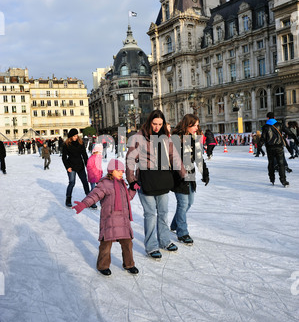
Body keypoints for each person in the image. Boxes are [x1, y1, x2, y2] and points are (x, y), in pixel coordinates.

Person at [126, 109, 186, 259]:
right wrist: (131, 180)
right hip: (145, 180)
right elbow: (130, 159)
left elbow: (174, 156)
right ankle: (151, 246)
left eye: (160, 124)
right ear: (149, 122)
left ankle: (164, 241)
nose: (157, 127)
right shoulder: (138, 137)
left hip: (162, 178)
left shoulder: (166, 137)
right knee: (150, 214)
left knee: (164, 212)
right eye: (154, 124)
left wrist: (183, 173)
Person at [72, 159, 139, 276]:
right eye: (118, 171)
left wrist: (132, 189)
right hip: (109, 219)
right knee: (106, 244)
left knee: (127, 243)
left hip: (123, 220)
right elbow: (95, 195)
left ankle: (129, 264)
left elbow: (127, 197)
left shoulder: (122, 184)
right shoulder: (104, 184)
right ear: (111, 171)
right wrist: (84, 204)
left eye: (122, 171)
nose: (121, 173)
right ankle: (103, 265)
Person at [170, 114, 209, 244]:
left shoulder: (193, 139)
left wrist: (205, 173)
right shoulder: (175, 139)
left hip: (190, 174)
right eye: (195, 125)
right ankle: (182, 233)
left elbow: (199, 158)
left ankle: (175, 224)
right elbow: (173, 159)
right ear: (188, 124)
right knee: (182, 204)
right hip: (179, 176)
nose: (197, 128)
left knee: (189, 202)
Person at [259, 112, 298, 187]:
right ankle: (283, 180)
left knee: (271, 163)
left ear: (267, 118)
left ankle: (272, 178)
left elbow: (263, 138)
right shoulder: (280, 125)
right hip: (279, 147)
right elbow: (289, 132)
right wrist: (295, 138)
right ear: (274, 117)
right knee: (281, 164)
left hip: (270, 148)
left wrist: (259, 146)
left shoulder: (265, 127)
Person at [62, 128, 93, 208]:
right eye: (74, 136)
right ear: (70, 136)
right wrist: (67, 167)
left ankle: (89, 200)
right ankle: (68, 199)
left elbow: (84, 155)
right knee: (72, 183)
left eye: (76, 135)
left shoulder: (80, 143)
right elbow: (64, 157)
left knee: (85, 182)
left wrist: (87, 165)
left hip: (80, 166)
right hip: (71, 166)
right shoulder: (66, 144)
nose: (76, 137)